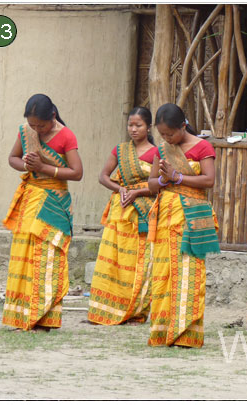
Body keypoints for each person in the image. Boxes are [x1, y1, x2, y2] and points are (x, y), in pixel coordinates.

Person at [2, 94, 84, 331]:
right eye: (33, 125)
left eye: (41, 125)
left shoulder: (66, 136)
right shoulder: (25, 131)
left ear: (53, 117)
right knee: (25, 256)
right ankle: (22, 315)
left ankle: (44, 317)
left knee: (49, 258)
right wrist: (27, 166)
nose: (36, 129)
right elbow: (12, 158)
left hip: (54, 203)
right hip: (30, 201)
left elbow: (77, 173)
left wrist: (45, 168)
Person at [147, 103, 219, 348]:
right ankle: (162, 331)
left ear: (183, 126)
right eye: (163, 135)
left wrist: (178, 177)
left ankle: (186, 334)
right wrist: (162, 178)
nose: (167, 138)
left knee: (189, 273)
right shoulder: (162, 149)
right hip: (166, 214)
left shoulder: (203, 147)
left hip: (192, 216)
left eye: (171, 134)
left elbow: (208, 180)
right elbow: (151, 185)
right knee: (163, 273)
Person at [87, 107, 158, 325]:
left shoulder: (156, 153)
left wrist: (137, 192)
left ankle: (134, 311)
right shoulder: (120, 150)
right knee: (113, 259)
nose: (133, 129)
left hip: (143, 213)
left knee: (138, 261)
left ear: (148, 127)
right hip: (120, 210)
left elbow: (157, 187)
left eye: (139, 125)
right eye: (130, 125)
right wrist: (120, 190)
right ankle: (107, 308)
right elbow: (103, 176)